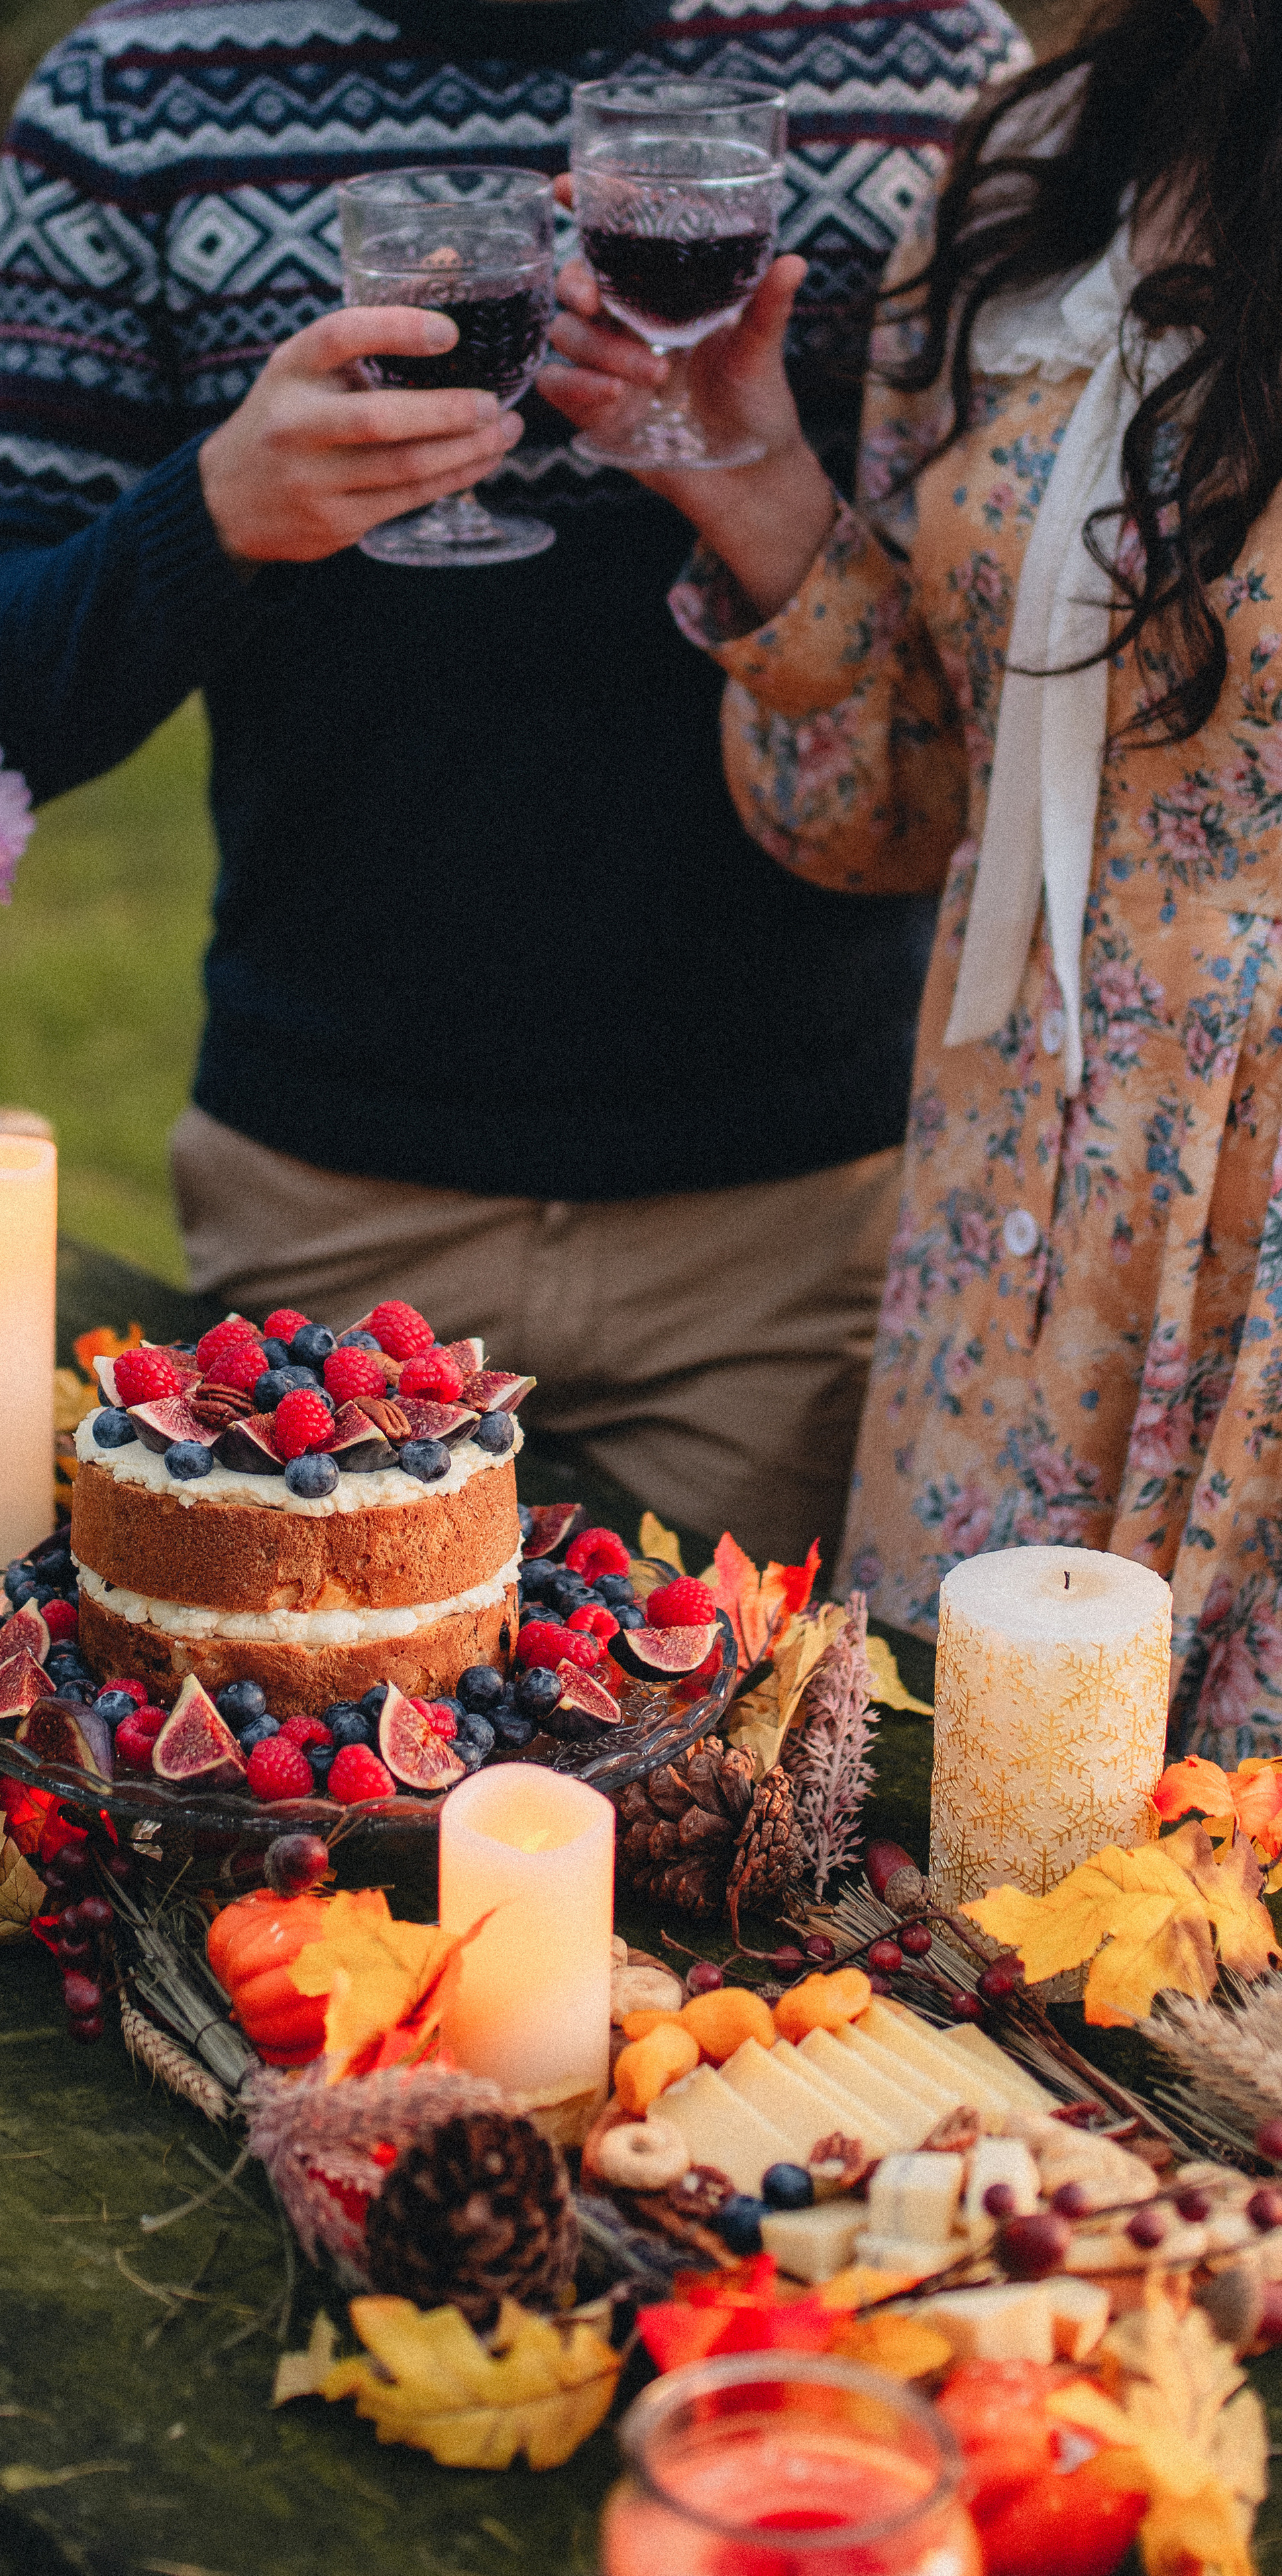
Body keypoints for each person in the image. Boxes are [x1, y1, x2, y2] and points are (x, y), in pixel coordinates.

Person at [0, 0, 1023, 1569]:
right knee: (312, 1787)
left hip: (789, 1236)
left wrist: (761, 495)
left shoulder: (928, 69)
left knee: (738, 1802)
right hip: (331, 1223)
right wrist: (214, 511)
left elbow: (997, 697)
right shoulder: (136, 94)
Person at [545, 0, 1282, 1752]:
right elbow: (899, 805)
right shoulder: (1045, 156)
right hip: (1010, 1232)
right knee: (929, 1878)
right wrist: (759, 493)